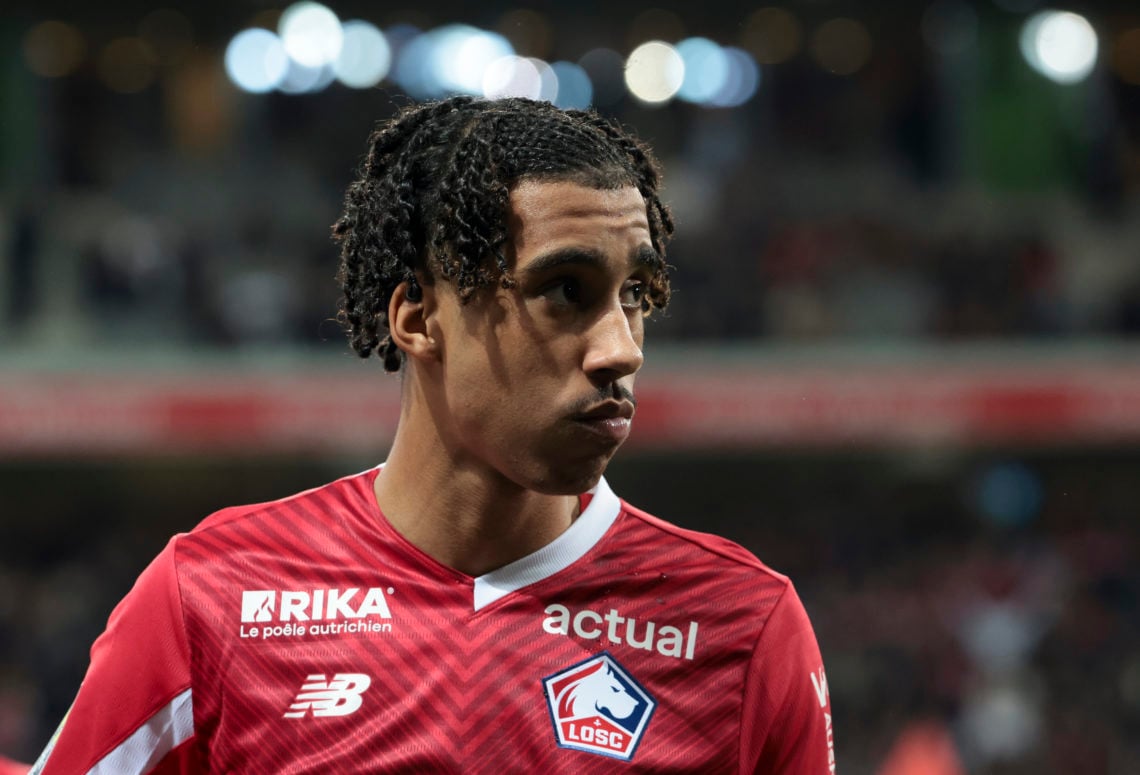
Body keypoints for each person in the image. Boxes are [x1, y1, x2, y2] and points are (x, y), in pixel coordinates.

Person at [32, 96, 835, 773]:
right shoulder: (209, 600)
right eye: (565, 290)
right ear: (417, 316)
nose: (621, 347)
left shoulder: (744, 629)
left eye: (638, 294)